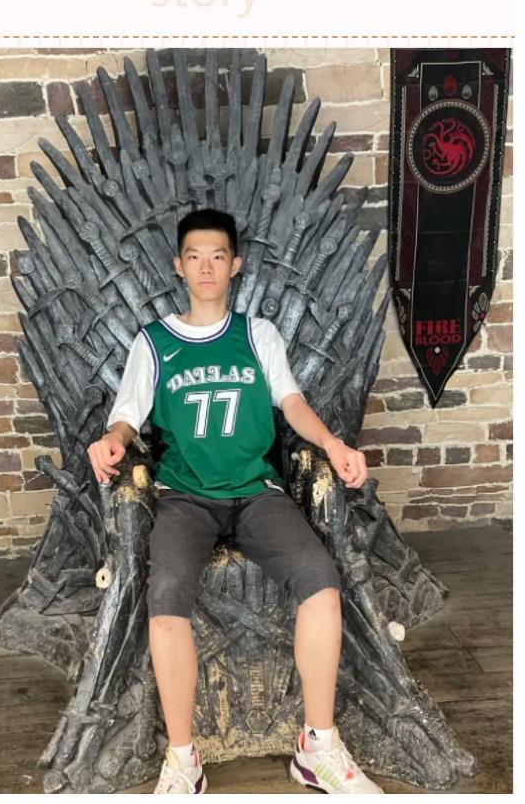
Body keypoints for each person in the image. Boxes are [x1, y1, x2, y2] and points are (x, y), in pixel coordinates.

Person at [87, 208, 383, 795]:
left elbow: (292, 403)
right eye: (194, 256)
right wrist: (112, 440)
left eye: (217, 256)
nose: (206, 267)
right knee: (165, 601)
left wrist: (332, 443)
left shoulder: (257, 335)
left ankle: (318, 748)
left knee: (321, 581)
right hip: (184, 497)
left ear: (235, 265)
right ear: (178, 266)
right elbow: (127, 415)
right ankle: (183, 760)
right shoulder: (155, 342)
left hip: (254, 492)